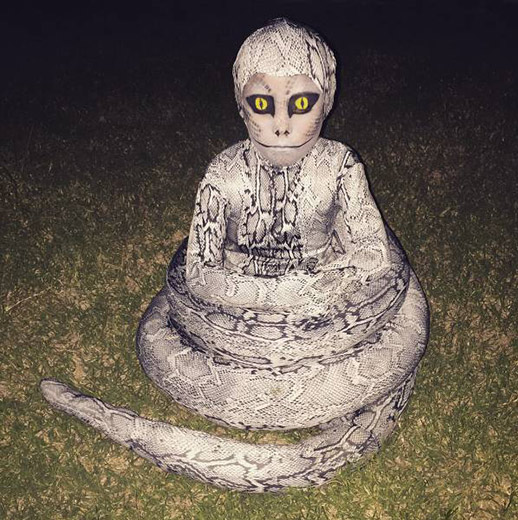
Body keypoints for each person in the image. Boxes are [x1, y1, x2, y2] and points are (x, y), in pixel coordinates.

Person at [41, 18, 429, 493]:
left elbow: (372, 255)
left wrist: (313, 290)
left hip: (317, 295)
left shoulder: (341, 165)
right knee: (160, 334)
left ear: (328, 100)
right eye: (262, 103)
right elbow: (199, 274)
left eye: (301, 103)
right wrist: (290, 293)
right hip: (266, 296)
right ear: (240, 105)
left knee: (397, 297)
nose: (281, 124)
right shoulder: (223, 174)